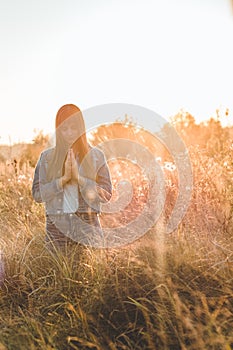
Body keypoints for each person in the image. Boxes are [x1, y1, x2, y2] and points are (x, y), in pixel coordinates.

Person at [32, 104, 112, 249]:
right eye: (64, 128)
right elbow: (37, 195)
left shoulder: (96, 156)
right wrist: (62, 181)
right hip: (56, 230)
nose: (69, 133)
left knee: (91, 271)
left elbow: (106, 195)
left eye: (74, 128)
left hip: (88, 227)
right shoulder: (47, 158)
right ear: (58, 129)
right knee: (57, 271)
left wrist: (79, 179)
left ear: (81, 128)